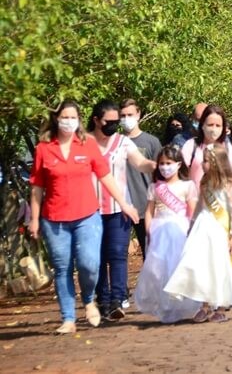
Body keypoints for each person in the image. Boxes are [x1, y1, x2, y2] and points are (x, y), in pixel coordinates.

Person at [29, 100, 139, 334]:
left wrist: (125, 204)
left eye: (73, 117)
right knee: (63, 268)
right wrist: (35, 219)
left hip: (87, 216)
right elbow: (37, 187)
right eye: (64, 117)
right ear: (56, 119)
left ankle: (89, 299)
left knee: (90, 265)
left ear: (79, 120)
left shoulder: (86, 144)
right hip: (54, 218)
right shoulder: (43, 148)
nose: (68, 122)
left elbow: (105, 176)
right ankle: (68, 318)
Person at [164, 143, 232, 322]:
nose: (203, 164)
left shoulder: (227, 185)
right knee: (201, 265)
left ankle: (220, 306)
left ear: (216, 163)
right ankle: (204, 305)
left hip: (220, 230)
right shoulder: (204, 182)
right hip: (202, 228)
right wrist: (191, 225)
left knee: (219, 267)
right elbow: (200, 205)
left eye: (206, 161)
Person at [88, 100, 156, 321]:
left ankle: (117, 300)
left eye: (116, 122)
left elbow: (140, 163)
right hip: (89, 210)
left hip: (119, 207)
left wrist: (155, 166)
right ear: (97, 120)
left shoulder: (122, 142)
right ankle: (103, 299)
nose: (114, 126)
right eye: (109, 122)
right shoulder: (85, 142)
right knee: (95, 257)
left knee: (117, 254)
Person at [133, 145, 201, 322]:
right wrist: (149, 230)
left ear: (179, 164)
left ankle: (181, 304)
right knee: (158, 269)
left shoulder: (187, 185)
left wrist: (191, 230)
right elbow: (149, 210)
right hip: (159, 231)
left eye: (169, 163)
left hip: (179, 230)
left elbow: (192, 211)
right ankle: (165, 305)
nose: (165, 167)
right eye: (161, 163)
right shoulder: (155, 187)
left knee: (177, 266)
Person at [120, 99, 162, 259]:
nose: (126, 119)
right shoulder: (116, 142)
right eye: (123, 115)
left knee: (150, 252)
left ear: (138, 114)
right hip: (122, 206)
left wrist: (159, 203)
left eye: (130, 114)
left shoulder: (151, 142)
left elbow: (160, 175)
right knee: (119, 254)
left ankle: (151, 284)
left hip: (146, 206)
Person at [181, 105, 232, 200]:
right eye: (210, 125)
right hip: (196, 204)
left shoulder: (226, 146)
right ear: (202, 125)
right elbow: (181, 175)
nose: (214, 129)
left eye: (218, 125)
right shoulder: (191, 146)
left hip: (222, 205)